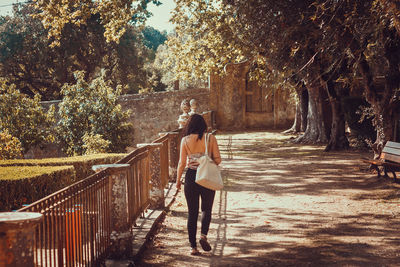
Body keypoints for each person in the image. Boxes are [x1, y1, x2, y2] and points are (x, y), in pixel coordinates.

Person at [176, 114, 222, 255]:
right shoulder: (210, 138)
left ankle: (193, 247)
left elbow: (181, 163)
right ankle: (203, 236)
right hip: (207, 176)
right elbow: (218, 160)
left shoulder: (185, 140)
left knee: (192, 212)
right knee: (206, 209)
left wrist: (178, 181)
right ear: (203, 125)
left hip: (191, 177)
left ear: (189, 125)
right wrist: (205, 160)